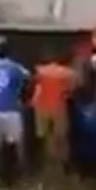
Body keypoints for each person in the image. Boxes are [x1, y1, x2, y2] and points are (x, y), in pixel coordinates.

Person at [0, 44, 32, 185]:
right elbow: (28, 77)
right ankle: (19, 173)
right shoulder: (15, 67)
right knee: (16, 144)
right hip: (11, 110)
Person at [33, 50, 76, 182]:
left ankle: (48, 163)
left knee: (46, 136)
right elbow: (71, 90)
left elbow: (35, 86)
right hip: (59, 107)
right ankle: (63, 165)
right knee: (61, 137)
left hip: (41, 106)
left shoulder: (40, 71)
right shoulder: (67, 72)